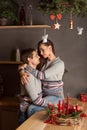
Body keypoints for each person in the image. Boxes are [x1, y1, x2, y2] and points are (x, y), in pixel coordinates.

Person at [19, 34, 65, 122]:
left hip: (55, 97)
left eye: (42, 50)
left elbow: (41, 75)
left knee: (31, 109)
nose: (40, 53)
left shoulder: (59, 64)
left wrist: (26, 67)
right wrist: (21, 70)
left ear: (50, 48)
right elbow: (26, 63)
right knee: (32, 108)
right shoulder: (44, 62)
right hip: (44, 98)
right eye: (39, 51)